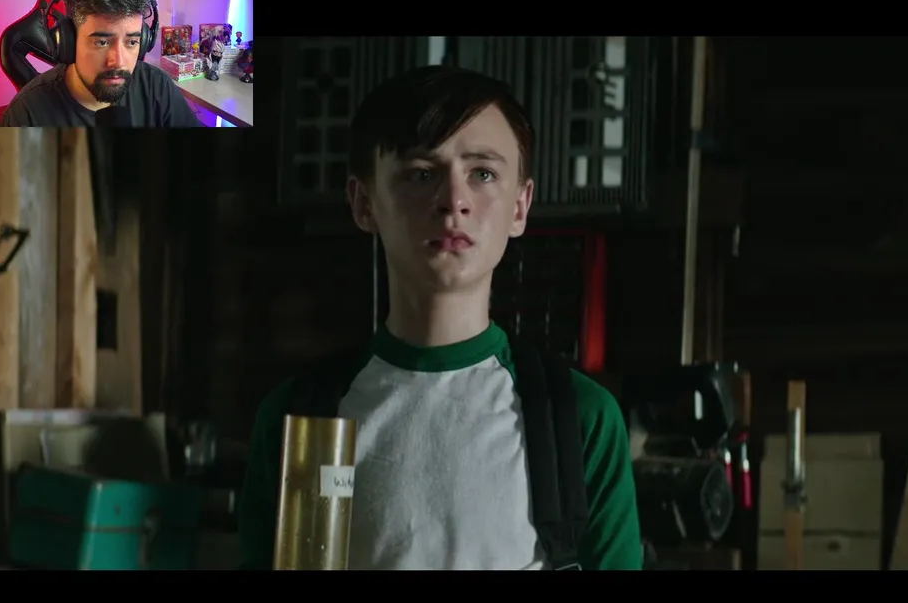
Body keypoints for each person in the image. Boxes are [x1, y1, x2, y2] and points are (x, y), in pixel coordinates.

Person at [238, 65, 642, 570]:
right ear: (364, 203)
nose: (454, 201)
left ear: (520, 206)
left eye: (483, 174)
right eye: (421, 173)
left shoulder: (578, 418)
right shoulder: (301, 416)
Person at [0, 0, 200, 127]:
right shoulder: (26, 113)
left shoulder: (157, 87)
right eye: (102, 42)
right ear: (69, 42)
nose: (119, 62)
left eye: (131, 42)